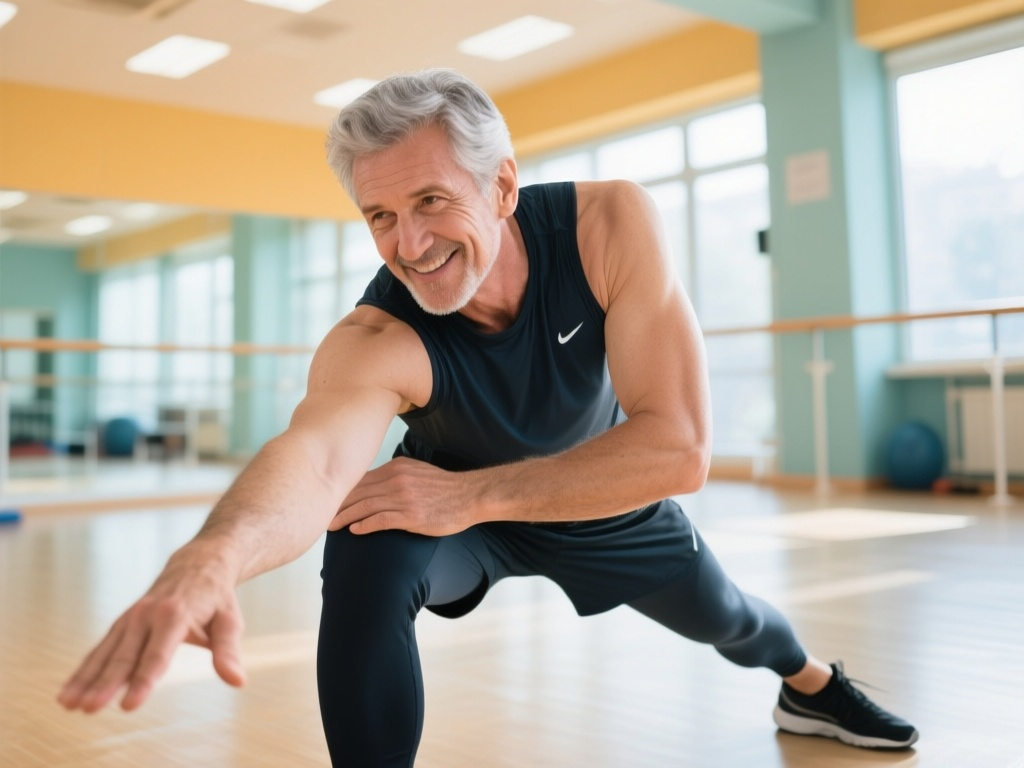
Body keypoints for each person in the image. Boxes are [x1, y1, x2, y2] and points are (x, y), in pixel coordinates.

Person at [58, 69, 918, 764]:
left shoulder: (607, 226)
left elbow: (680, 449)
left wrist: (469, 497)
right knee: (364, 539)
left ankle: (808, 687)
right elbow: (316, 460)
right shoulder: (377, 334)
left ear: (502, 185)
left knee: (731, 617)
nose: (409, 243)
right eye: (381, 217)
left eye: (431, 200)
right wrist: (213, 555)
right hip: (451, 518)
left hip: (598, 497)